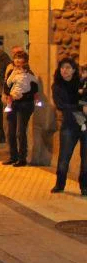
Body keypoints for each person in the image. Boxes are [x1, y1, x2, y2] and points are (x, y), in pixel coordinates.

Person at [52, 58, 87, 195]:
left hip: (84, 124)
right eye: (62, 67)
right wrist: (80, 107)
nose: (64, 70)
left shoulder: (81, 83)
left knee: (85, 158)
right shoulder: (57, 86)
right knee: (64, 157)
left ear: (73, 70)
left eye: (67, 68)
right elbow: (61, 105)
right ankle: (60, 184)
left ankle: (84, 186)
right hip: (69, 125)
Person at [2, 50, 38, 167]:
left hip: (24, 105)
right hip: (12, 104)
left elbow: (34, 90)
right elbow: (6, 86)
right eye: (16, 58)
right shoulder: (11, 72)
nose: (17, 60)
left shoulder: (29, 73)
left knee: (20, 131)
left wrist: (22, 95)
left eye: (20, 58)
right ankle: (13, 156)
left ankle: (22, 158)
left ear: (25, 61)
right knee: (10, 131)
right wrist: (9, 95)